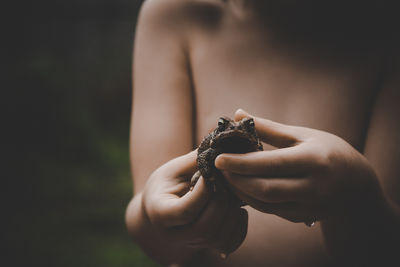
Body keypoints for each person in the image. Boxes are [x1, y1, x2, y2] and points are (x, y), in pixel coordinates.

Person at [125, 0, 400, 266]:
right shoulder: (175, 14)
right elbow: (157, 243)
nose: (235, 131)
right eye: (224, 126)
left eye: (247, 129)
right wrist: (159, 213)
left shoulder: (388, 32)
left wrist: (356, 196)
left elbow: (385, 253)